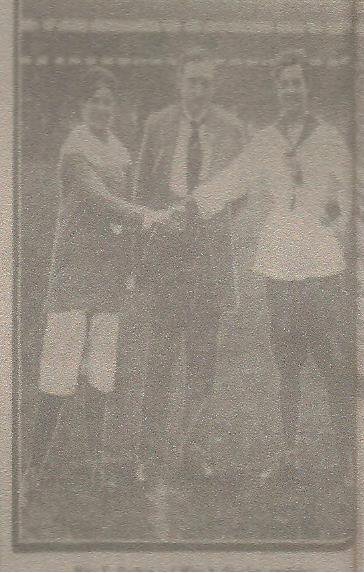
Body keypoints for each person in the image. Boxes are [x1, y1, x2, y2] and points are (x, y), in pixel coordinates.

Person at [193, 50, 355, 485]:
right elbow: (233, 180)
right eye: (284, 84)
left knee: (337, 366)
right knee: (287, 367)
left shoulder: (329, 139)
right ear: (276, 89)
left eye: (298, 83)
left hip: (323, 271)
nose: (291, 90)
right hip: (280, 270)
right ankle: (288, 453)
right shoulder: (265, 140)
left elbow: (351, 199)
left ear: (307, 88)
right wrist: (192, 204)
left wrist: (337, 222)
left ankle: (350, 464)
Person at [23, 67, 170, 498]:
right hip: (73, 273)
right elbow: (99, 201)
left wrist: (135, 246)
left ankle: (94, 459)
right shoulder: (76, 151)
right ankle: (35, 463)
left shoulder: (119, 150)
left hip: (108, 275)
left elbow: (120, 211)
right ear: (80, 108)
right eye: (94, 101)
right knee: (59, 371)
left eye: (108, 101)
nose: (102, 108)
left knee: (102, 372)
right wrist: (146, 216)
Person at [133, 47, 247, 489]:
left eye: (205, 82)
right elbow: (142, 186)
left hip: (210, 261)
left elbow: (240, 192)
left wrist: (208, 225)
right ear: (178, 82)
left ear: (212, 85)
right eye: (190, 81)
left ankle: (192, 452)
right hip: (167, 261)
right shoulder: (157, 124)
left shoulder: (232, 129)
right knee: (160, 359)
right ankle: (147, 452)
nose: (197, 90)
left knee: (202, 362)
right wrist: (159, 236)